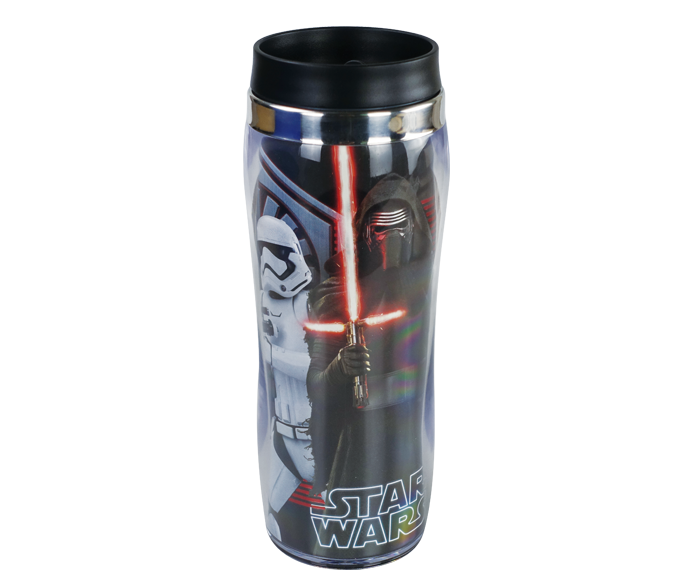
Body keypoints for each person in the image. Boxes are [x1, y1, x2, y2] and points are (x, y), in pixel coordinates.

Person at [304, 173, 434, 500]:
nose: (392, 238)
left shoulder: (422, 290)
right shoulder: (339, 297)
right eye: (380, 229)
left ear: (414, 227)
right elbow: (316, 385)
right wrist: (340, 368)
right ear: (365, 233)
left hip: (410, 433)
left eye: (400, 226)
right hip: (360, 437)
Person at [257, 215, 316, 542]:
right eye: (264, 251)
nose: (269, 263)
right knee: (276, 517)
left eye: (277, 253)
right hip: (282, 435)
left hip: (315, 440)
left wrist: (273, 355)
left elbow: (318, 366)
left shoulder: (306, 303)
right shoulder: (266, 301)